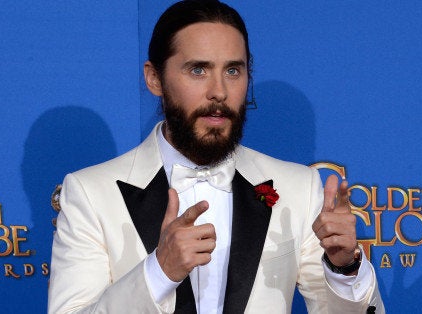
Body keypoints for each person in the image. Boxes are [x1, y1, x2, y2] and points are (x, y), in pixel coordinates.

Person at [47, 0, 385, 313]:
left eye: (233, 71)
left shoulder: (298, 187)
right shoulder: (90, 193)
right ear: (154, 78)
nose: (219, 92)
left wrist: (345, 269)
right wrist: (158, 271)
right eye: (198, 70)